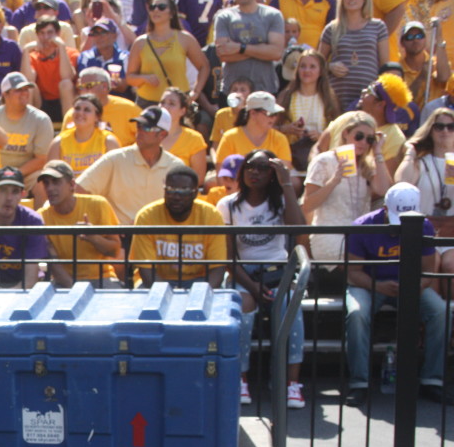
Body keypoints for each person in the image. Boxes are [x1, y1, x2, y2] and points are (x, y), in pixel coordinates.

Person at [344, 182, 452, 406]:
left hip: (410, 285)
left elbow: (427, 272)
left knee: (441, 312)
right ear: (384, 207)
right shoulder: (362, 226)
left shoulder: (425, 226)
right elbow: (353, 273)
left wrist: (415, 286)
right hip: (368, 285)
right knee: (357, 313)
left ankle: (433, 380)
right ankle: (359, 383)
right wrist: (378, 286)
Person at [217, 149, 308, 408]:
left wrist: (287, 183)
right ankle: (240, 378)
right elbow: (229, 258)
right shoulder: (228, 205)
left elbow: (298, 228)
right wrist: (253, 287)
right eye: (249, 167)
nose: (254, 172)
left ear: (272, 174)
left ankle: (291, 383)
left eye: (262, 167)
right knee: (243, 308)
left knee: (292, 307)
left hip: (278, 271)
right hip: (244, 273)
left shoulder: (280, 203)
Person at [303, 110, 392, 267]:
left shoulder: (368, 165)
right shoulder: (323, 161)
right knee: (364, 261)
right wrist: (334, 181)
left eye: (369, 139)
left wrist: (378, 152)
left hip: (360, 236)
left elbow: (384, 190)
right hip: (330, 235)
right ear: (346, 134)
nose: (363, 142)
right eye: (359, 136)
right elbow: (308, 205)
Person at [76, 105, 184, 227]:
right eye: (139, 125)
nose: (140, 131)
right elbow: (79, 189)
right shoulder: (115, 159)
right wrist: (106, 223)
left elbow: (184, 208)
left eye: (147, 127)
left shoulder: (176, 167)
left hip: (160, 239)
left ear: (162, 135)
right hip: (121, 238)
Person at [129, 164, 227, 288]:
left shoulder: (212, 216)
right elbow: (146, 271)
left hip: (199, 281)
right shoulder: (146, 216)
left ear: (195, 193)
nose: (176, 196)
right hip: (157, 280)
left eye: (183, 191)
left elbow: (217, 269)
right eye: (170, 190)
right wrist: (170, 295)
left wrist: (200, 294)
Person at [36, 159, 122, 288]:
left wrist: (94, 238)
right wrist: (75, 290)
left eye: (56, 182)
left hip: (102, 278)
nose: (50, 188)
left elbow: (115, 252)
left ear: (72, 185)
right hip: (63, 282)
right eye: (46, 183)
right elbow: (53, 264)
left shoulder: (98, 204)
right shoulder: (41, 216)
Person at [395, 108, 454, 285]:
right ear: (431, 130)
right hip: (427, 228)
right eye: (439, 126)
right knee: (431, 266)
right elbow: (401, 184)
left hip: (452, 230)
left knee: (451, 266)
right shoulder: (421, 162)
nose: (445, 131)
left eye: (451, 126)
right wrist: (410, 152)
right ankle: (433, 312)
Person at [316, 73, 411, 175]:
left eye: (370, 90)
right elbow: (318, 148)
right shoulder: (347, 118)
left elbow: (386, 182)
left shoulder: (395, 138)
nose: (363, 91)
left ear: (380, 104)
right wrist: (317, 169)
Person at [127, 0, 208, 108]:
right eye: (152, 7)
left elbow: (204, 66)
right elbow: (130, 78)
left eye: (161, 6)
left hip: (176, 103)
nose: (155, 10)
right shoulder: (140, 42)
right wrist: (145, 78)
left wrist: (196, 91)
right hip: (147, 103)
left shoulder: (185, 38)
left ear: (172, 13)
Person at [0, 71, 53, 191]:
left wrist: (16, 174)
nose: (24, 93)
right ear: (5, 94)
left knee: (43, 182)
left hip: (26, 175)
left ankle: (41, 211)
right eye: (18, 90)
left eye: (26, 89)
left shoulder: (41, 120)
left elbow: (42, 159)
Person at [318, 0, 389, 110]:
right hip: (337, 98)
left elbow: (385, 67)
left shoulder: (378, 27)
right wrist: (329, 66)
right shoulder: (331, 28)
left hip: (369, 98)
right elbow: (317, 64)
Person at [276, 49, 340, 173]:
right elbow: (271, 127)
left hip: (320, 155)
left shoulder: (329, 99)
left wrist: (321, 136)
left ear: (320, 71)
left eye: (312, 67)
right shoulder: (286, 96)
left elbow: (337, 131)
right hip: (291, 156)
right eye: (303, 66)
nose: (307, 71)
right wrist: (286, 129)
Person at [214, 0, 286, 95]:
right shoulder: (224, 17)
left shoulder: (273, 15)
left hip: (265, 91)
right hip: (232, 91)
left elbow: (276, 53)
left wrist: (240, 48)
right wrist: (262, 50)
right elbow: (223, 54)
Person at [60, 66, 141, 148]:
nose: (84, 91)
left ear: (105, 86)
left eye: (88, 86)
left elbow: (146, 139)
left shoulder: (128, 109)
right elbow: (64, 144)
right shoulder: (74, 115)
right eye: (81, 87)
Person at [47, 93, 117, 179]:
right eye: (77, 109)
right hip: (70, 191)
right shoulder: (58, 143)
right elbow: (52, 179)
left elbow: (116, 177)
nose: (80, 113)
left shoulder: (109, 141)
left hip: (99, 191)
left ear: (97, 117)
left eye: (87, 110)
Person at [216, 91, 293, 168]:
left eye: (275, 114)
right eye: (270, 114)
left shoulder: (280, 139)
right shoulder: (229, 138)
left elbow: (284, 174)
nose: (274, 118)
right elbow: (222, 175)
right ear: (253, 113)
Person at [21, 16, 77, 122]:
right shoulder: (33, 56)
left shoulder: (70, 53)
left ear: (58, 34)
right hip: (42, 103)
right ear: (37, 35)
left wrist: (61, 46)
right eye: (42, 33)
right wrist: (26, 50)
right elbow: (27, 79)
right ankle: (30, 129)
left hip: (64, 101)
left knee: (66, 84)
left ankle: (70, 127)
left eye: (50, 33)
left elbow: (66, 76)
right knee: (29, 86)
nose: (46, 37)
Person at [158, 86, 207, 184]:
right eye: (162, 102)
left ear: (182, 111)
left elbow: (199, 178)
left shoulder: (194, 139)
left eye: (171, 104)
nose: (165, 107)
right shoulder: (148, 133)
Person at [398, 20, 449, 112]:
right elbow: (403, 102)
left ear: (425, 39)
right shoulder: (398, 70)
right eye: (409, 37)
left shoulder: (435, 63)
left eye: (419, 36)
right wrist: (422, 77)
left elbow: (444, 78)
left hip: (437, 121)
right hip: (410, 122)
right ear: (402, 42)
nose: (415, 40)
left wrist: (439, 37)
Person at [75, 17, 130, 98]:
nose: (99, 37)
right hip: (92, 102)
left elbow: (123, 87)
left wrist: (95, 83)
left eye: (103, 32)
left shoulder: (124, 57)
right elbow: (82, 85)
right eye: (96, 33)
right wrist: (111, 82)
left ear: (114, 36)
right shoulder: (85, 57)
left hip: (118, 101)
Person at [270, 0, 337, 50]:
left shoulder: (330, 1)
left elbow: (333, 34)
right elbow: (269, 28)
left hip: (317, 61)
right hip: (284, 59)